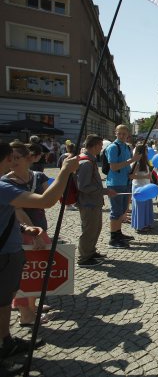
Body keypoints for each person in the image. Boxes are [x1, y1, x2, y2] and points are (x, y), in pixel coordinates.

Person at [0, 141, 78, 374]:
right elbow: (46, 201)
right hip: (3, 254)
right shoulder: (3, 186)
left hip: (10, 249)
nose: (11, 163)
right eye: (8, 159)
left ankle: (6, 342)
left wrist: (24, 229)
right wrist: (65, 170)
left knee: (4, 301)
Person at [1, 142, 52, 327]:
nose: (13, 161)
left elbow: (50, 199)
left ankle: (32, 306)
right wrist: (33, 232)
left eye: (17, 157)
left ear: (28, 158)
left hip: (40, 225)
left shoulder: (37, 176)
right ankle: (26, 314)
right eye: (10, 158)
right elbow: (18, 210)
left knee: (37, 272)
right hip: (20, 231)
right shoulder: (6, 182)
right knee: (24, 275)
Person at [75, 135, 117, 267]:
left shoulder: (90, 160)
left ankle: (90, 252)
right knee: (89, 230)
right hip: (88, 203)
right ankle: (84, 258)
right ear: (95, 146)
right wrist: (104, 191)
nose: (101, 148)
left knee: (95, 229)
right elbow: (83, 186)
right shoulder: (86, 163)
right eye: (100, 145)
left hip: (93, 202)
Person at [106, 125, 141, 249]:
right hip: (115, 183)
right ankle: (113, 238)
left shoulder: (125, 147)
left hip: (125, 182)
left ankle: (118, 233)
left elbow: (126, 166)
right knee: (116, 212)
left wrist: (133, 171)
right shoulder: (113, 147)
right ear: (115, 133)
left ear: (128, 135)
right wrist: (132, 160)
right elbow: (114, 167)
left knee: (122, 211)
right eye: (119, 133)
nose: (121, 136)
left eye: (124, 134)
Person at [130, 144, 154, 233]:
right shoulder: (137, 162)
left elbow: (146, 175)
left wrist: (149, 177)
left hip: (146, 186)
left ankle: (147, 223)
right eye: (146, 150)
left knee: (147, 206)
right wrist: (145, 177)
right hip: (138, 187)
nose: (147, 152)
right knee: (140, 207)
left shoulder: (146, 162)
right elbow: (131, 176)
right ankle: (139, 226)